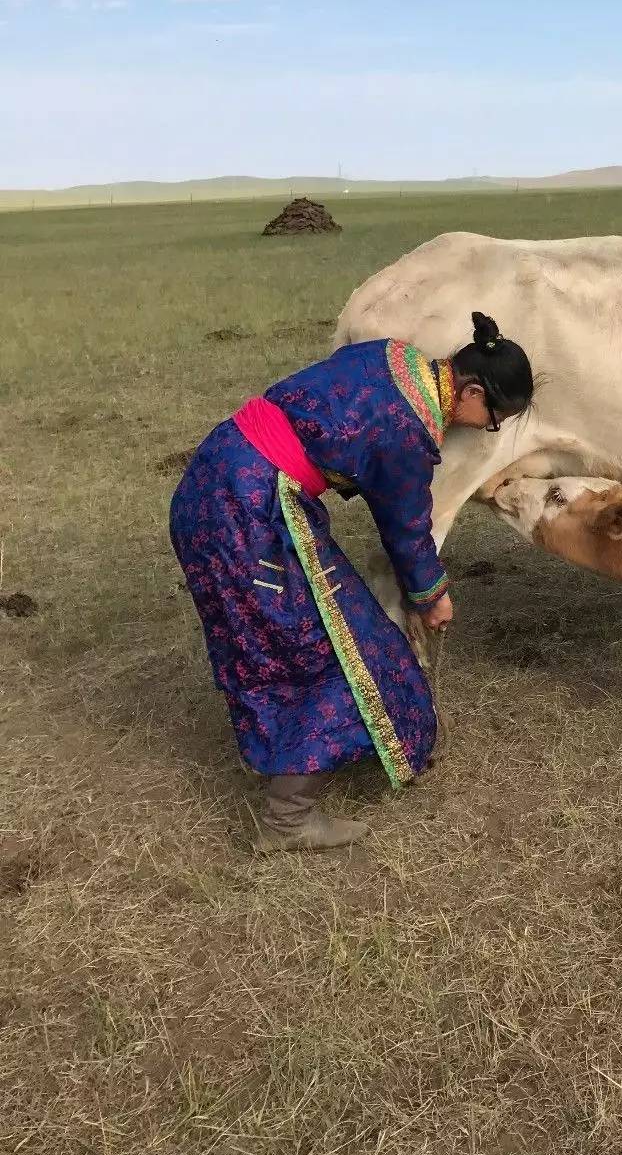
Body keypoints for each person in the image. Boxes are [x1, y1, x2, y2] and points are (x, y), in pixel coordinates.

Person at [170, 311, 534, 853]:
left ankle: (305, 749)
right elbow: (406, 525)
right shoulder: (409, 428)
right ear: (473, 391)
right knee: (327, 649)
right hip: (250, 511)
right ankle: (287, 818)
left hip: (214, 477)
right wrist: (432, 595)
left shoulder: (393, 356)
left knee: (277, 636)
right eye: (495, 418)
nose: (488, 429)